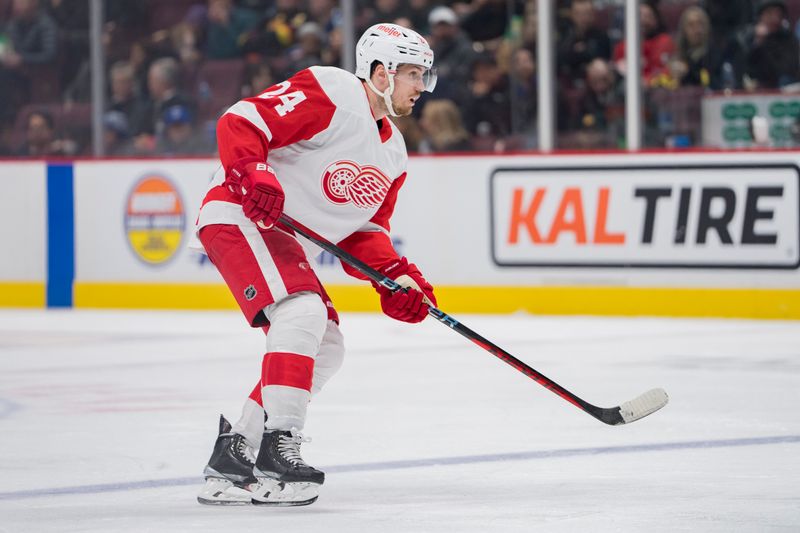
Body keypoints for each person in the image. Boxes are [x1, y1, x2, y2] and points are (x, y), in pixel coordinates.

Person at [194, 23, 438, 507]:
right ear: (379, 73)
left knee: (326, 346)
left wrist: (398, 280)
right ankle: (277, 449)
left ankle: (236, 452)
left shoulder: (394, 154)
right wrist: (254, 173)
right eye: (412, 74)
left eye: (423, 76)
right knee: (303, 311)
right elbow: (241, 122)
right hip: (238, 214)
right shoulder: (333, 90)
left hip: (281, 236)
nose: (421, 87)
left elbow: (364, 233)